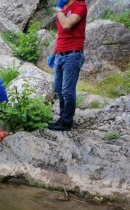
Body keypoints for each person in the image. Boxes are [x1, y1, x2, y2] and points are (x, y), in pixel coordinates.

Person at [47, 0, 87, 131]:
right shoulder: (63, 8)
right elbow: (60, 35)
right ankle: (63, 117)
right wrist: (53, 54)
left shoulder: (80, 5)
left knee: (67, 91)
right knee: (58, 89)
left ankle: (66, 121)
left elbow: (67, 25)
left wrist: (58, 10)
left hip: (73, 55)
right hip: (60, 55)